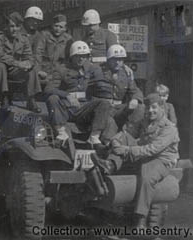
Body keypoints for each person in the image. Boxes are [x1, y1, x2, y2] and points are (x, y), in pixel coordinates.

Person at [92, 93, 180, 228]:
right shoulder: (145, 121)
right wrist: (116, 141)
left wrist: (126, 150)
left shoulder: (169, 128)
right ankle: (109, 165)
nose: (151, 111)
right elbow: (128, 133)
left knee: (147, 175)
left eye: (154, 107)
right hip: (143, 154)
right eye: (148, 108)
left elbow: (152, 149)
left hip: (161, 159)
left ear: (162, 108)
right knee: (124, 140)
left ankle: (140, 217)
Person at [45, 41, 115, 146]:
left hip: (84, 108)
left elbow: (101, 84)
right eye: (78, 56)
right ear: (72, 56)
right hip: (67, 109)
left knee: (104, 103)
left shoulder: (92, 69)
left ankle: (94, 137)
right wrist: (67, 95)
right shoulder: (62, 69)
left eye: (84, 56)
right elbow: (49, 88)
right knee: (53, 98)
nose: (81, 59)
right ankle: (61, 133)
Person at [0, 12, 41, 111]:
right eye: (12, 26)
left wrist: (29, 63)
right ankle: (4, 97)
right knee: (0, 66)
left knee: (32, 69)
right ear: (6, 26)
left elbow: (29, 56)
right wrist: (19, 64)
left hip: (14, 70)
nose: (14, 29)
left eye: (17, 27)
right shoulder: (0, 37)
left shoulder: (23, 39)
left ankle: (31, 100)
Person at [89, 44, 145, 132]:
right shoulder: (98, 71)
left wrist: (135, 99)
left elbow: (135, 90)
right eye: (114, 59)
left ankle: (131, 135)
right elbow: (86, 89)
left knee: (140, 108)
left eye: (120, 59)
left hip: (118, 108)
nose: (118, 62)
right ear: (108, 60)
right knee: (111, 126)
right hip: (102, 110)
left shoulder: (126, 74)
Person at [35, 14, 73, 83]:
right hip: (45, 71)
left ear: (65, 28)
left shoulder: (68, 39)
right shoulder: (44, 35)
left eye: (61, 27)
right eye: (56, 26)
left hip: (60, 71)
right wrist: (38, 70)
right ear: (52, 25)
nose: (58, 29)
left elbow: (70, 58)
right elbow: (38, 53)